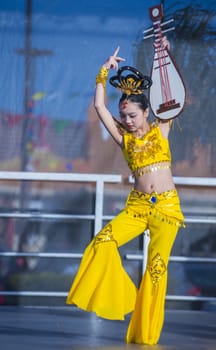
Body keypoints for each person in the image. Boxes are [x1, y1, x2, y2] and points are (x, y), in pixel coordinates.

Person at [66, 41, 185, 345]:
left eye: (133, 114)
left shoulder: (162, 128)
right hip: (137, 207)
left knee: (157, 272)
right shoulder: (124, 138)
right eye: (125, 115)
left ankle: (145, 335)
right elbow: (98, 107)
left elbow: (171, 93)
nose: (128, 120)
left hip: (167, 210)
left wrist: (164, 55)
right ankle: (125, 297)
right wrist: (103, 72)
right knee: (102, 243)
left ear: (147, 111)